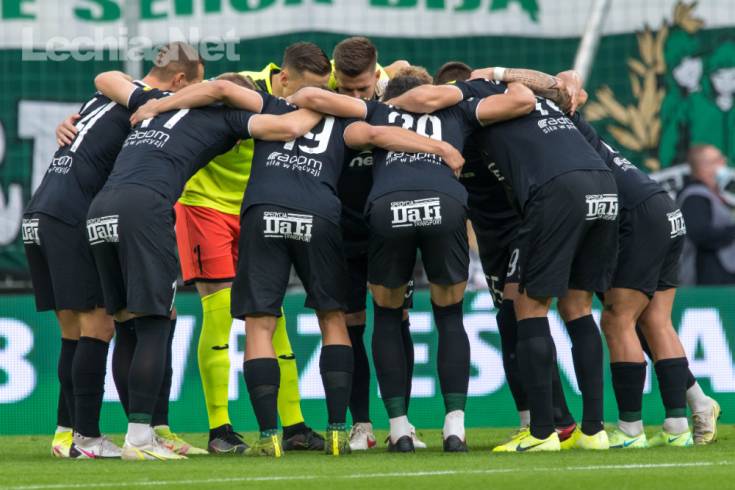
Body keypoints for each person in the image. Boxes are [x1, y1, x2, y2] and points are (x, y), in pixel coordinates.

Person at [290, 72, 535, 452]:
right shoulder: (458, 111)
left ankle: (399, 428)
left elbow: (313, 99)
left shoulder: (375, 110)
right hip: (444, 203)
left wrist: (379, 106)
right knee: (449, 315)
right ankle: (455, 427)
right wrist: (492, 78)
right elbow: (522, 100)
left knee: (387, 316)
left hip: (389, 206)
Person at [89, 73, 322, 461]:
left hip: (101, 209)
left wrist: (157, 101)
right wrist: (326, 105)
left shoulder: (156, 103)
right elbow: (290, 127)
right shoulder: (227, 117)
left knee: (126, 325)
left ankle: (145, 432)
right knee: (155, 323)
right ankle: (140, 439)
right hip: (145, 209)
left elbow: (105, 78)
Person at [390, 71, 618, 452]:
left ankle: (542, 432)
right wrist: (510, 75)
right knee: (578, 307)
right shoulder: (534, 96)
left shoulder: (473, 99)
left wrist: (385, 106)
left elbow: (428, 98)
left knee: (525, 308)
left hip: (556, 192)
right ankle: (594, 431)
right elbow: (568, 83)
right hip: (602, 185)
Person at [26, 42, 204, 459]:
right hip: (74, 216)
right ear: (179, 80)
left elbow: (105, 77)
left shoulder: (102, 98)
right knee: (99, 325)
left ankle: (67, 433)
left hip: (42, 212)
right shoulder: (150, 104)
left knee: (74, 332)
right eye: (192, 86)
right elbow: (109, 77)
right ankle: (87, 439)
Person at [175, 42, 332, 454]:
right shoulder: (234, 87)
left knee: (272, 315)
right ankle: (219, 429)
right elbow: (159, 94)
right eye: (305, 90)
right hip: (204, 205)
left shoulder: (318, 83)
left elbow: (385, 71)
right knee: (219, 312)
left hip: (254, 211)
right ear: (284, 78)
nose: (312, 98)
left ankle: (294, 425)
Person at [433, 62, 580, 451]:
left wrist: (554, 79)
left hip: (523, 226)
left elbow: (569, 86)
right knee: (510, 321)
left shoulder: (498, 114)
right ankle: (535, 420)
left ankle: (558, 421)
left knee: (525, 317)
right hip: (492, 238)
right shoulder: (442, 129)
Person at [329, 36, 421, 450]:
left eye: (362, 89)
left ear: (376, 74)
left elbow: (410, 70)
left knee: (397, 319)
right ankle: (361, 425)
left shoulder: (398, 93)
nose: (354, 98)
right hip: (342, 231)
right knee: (350, 324)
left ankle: (403, 422)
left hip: (390, 229)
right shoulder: (323, 100)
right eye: (346, 89)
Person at [679, 144, 735, 285]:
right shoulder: (695, 196)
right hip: (708, 278)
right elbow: (700, 233)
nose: (724, 162)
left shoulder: (716, 195)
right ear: (703, 167)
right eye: (718, 160)